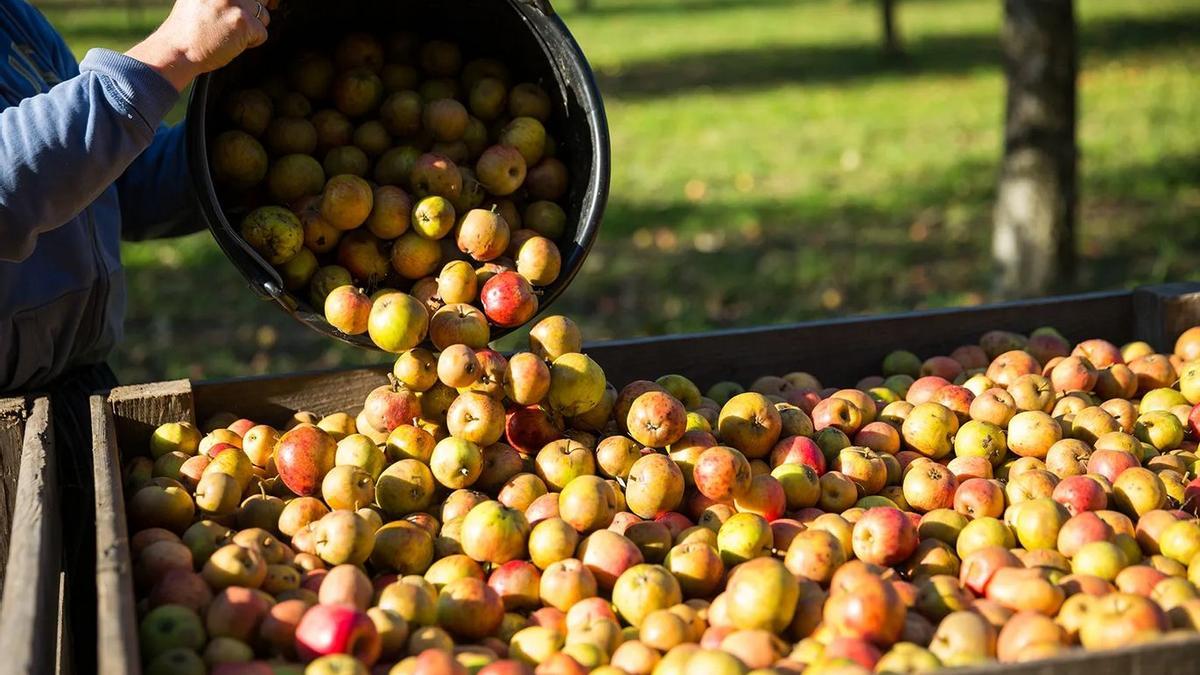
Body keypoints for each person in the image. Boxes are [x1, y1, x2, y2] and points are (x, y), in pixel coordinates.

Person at [0, 0, 276, 665]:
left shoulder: (13, 22)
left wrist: (255, 129)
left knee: (105, 637)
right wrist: (172, 52)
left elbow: (114, 184)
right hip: (3, 440)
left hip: (79, 399)